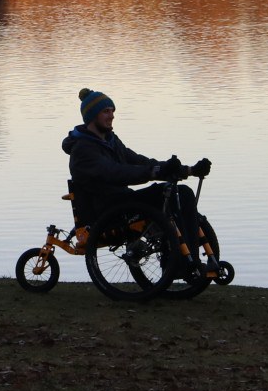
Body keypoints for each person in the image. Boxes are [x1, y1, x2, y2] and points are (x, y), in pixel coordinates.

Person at [62, 87, 212, 270]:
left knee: (183, 194)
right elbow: (116, 172)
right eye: (106, 111)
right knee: (170, 193)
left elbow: (138, 161)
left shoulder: (110, 140)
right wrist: (154, 172)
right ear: (92, 116)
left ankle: (190, 260)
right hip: (109, 209)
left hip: (123, 201)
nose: (111, 116)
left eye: (112, 111)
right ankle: (182, 264)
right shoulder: (83, 150)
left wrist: (187, 170)